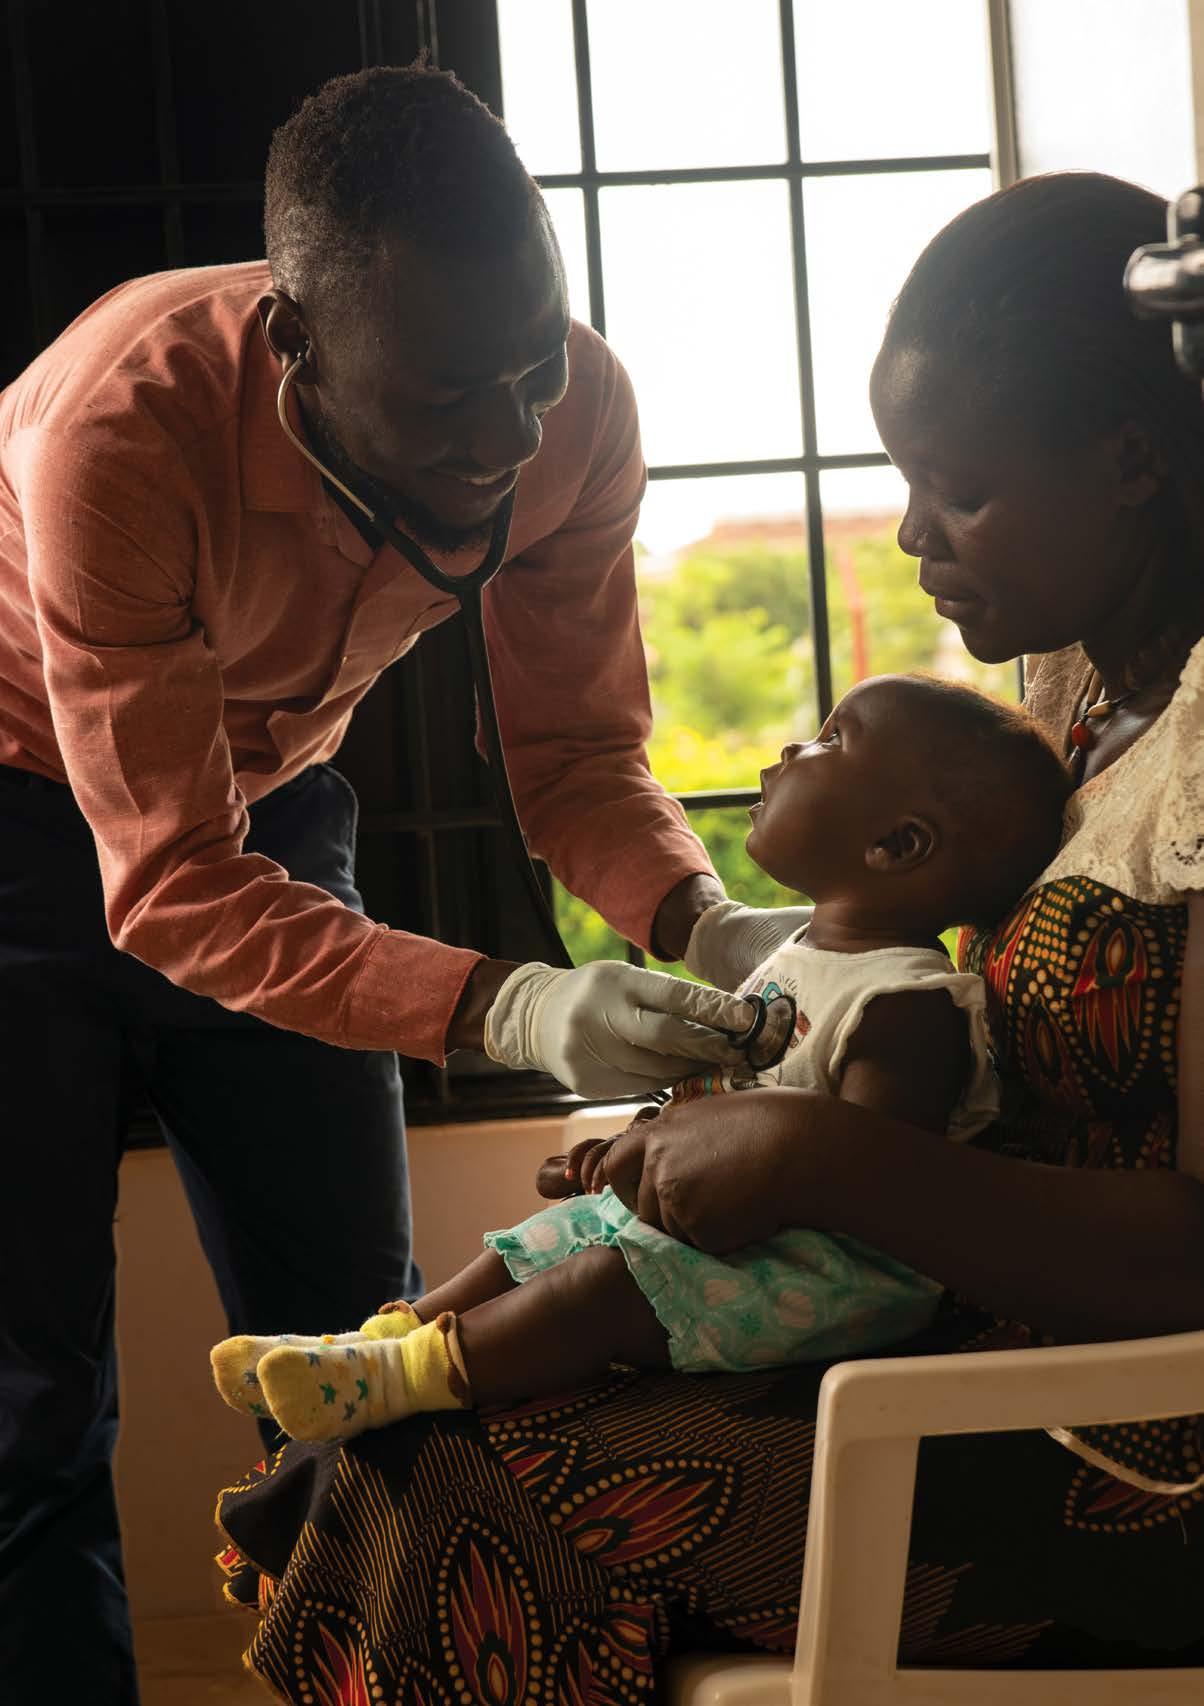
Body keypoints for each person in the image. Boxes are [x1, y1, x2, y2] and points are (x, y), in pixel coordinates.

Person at [214, 170, 1204, 1701]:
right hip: (964, 1337)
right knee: (416, 1418)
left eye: (961, 490)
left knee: (463, 1467)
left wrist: (814, 1155)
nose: (913, 533)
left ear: (1131, 460)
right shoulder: (1077, 696)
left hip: (1132, 1451)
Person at [0, 64, 760, 1700]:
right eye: (447, 399)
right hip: (18, 812)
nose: (509, 435)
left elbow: (578, 759)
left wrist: (707, 922)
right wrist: (512, 1005)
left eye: (531, 365)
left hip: (269, 804)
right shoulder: (115, 426)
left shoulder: (575, 409)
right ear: (296, 343)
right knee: (26, 1402)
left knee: (375, 1355)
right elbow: (170, 881)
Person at [209, 673, 1070, 1438]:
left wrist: (696, 1160)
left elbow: (869, 1179)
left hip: (826, 1274)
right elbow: (735, 1097)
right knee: (531, 1243)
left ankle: (401, 1380)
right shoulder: (797, 957)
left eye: (831, 740)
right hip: (739, 1224)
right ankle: (373, 1339)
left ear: (897, 846)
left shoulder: (907, 1006)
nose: (790, 750)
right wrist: (634, 1150)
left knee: (597, 1287)